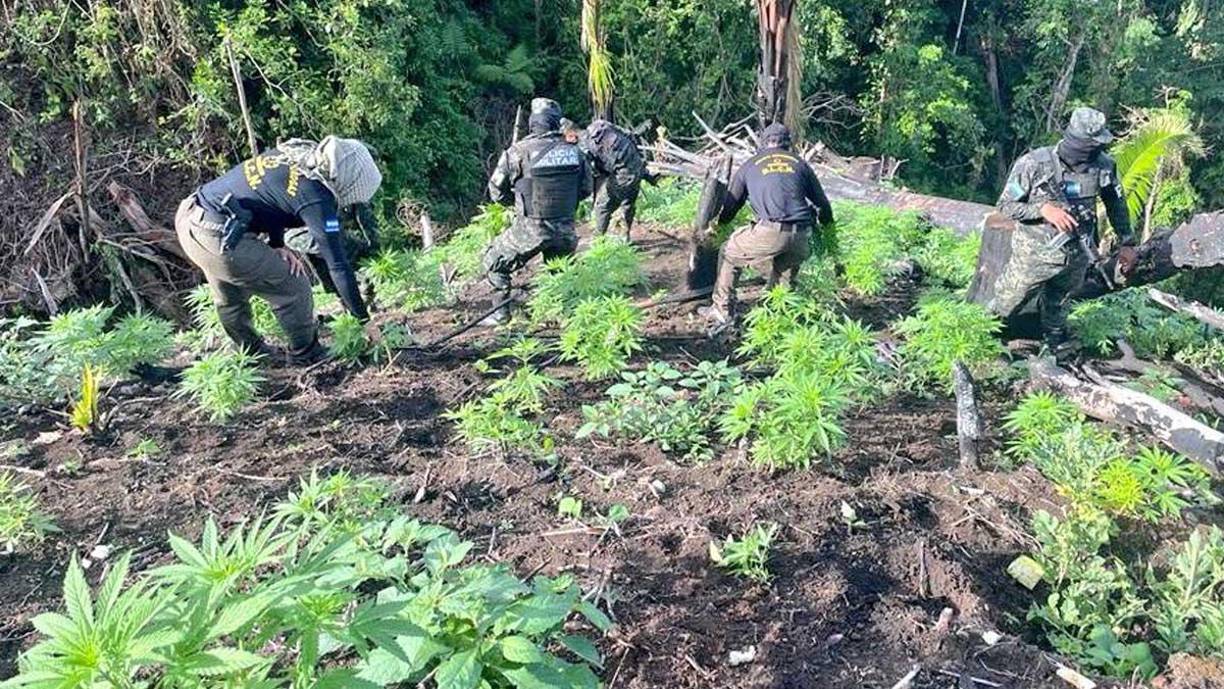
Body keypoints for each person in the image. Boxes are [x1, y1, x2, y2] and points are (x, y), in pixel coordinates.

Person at [175, 136, 382, 364]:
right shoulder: (316, 197)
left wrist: (277, 244)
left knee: (230, 296)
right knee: (294, 286)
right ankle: (307, 354)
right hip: (219, 235)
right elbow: (338, 265)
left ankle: (251, 355)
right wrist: (364, 321)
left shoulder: (294, 156)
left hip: (192, 217)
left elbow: (268, 195)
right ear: (347, 179)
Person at [973, 107, 1137, 357]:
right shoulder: (1034, 164)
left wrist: (1127, 243)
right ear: (1079, 142)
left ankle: (1054, 343)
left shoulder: (1103, 167)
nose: (1098, 149)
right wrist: (1044, 210)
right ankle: (982, 339)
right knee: (1009, 299)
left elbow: (1116, 204)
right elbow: (1006, 206)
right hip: (1033, 256)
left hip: (1077, 254)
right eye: (1093, 144)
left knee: (1059, 302)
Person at [701, 122, 834, 329]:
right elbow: (823, 205)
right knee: (783, 281)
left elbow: (731, 204)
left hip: (771, 231)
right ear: (788, 145)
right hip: (801, 235)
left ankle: (722, 310)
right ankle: (777, 320)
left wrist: (720, 227)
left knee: (729, 252)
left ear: (763, 144)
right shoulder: (800, 164)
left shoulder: (751, 164)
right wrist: (831, 242)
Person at [480, 98, 593, 325]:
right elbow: (586, 189)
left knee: (493, 261)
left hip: (531, 228)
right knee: (560, 271)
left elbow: (496, 190)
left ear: (533, 123)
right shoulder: (575, 152)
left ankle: (501, 314)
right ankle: (565, 316)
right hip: (566, 230)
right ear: (555, 123)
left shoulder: (517, 152)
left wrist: (518, 205)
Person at [585, 119, 652, 241]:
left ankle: (598, 239)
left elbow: (607, 166)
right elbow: (632, 137)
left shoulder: (595, 144)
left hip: (623, 176)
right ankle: (625, 237)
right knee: (627, 204)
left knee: (603, 206)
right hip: (637, 169)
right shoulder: (614, 129)